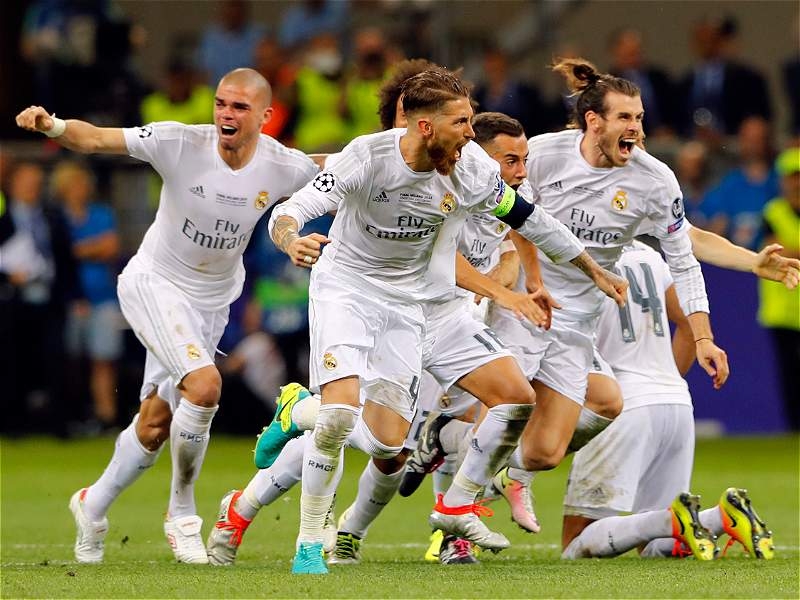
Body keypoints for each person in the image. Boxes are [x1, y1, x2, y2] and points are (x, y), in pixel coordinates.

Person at [266, 68, 626, 574]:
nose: (470, 134)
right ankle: (308, 547)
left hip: (410, 304)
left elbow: (530, 220)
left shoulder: (472, 168)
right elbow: (292, 210)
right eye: (461, 123)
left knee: (391, 442)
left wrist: (592, 268)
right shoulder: (367, 157)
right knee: (342, 415)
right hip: (347, 290)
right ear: (425, 127)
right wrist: (291, 240)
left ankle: (300, 411)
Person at [14, 67, 319, 564]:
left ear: (265, 116)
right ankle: (181, 513)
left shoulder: (281, 164)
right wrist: (53, 126)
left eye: (239, 107)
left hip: (212, 301)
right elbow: (95, 139)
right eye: (221, 103)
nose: (226, 114)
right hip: (155, 284)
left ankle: (92, 504)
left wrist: (401, 152)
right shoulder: (179, 142)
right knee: (205, 386)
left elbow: (337, 168)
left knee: (156, 423)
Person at [479, 58, 728, 546]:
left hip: (578, 322)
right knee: (498, 411)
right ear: (593, 121)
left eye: (639, 118)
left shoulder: (655, 181)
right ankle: (453, 524)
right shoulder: (543, 155)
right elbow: (509, 211)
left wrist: (703, 337)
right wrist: (514, 279)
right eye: (625, 118)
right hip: (524, 307)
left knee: (547, 451)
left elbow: (684, 260)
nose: (637, 128)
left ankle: (489, 471)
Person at [561, 241, 774, 561]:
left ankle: (674, 520)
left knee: (575, 544)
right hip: (675, 401)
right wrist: (664, 379)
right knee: (657, 545)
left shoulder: (574, 250)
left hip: (621, 404)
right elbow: (688, 325)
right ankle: (718, 518)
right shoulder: (649, 256)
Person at [52, 160, 124, 432]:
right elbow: (58, 253)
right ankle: (74, 414)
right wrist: (92, 249)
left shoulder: (101, 214)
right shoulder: (56, 217)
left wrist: (75, 250)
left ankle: (106, 417)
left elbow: (111, 247)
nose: (81, 189)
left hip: (103, 297)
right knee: (71, 359)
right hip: (70, 298)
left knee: (104, 359)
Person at [758, 147, 800, 431]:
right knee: (790, 371)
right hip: (782, 308)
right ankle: (794, 427)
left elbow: (786, 250)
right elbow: (774, 253)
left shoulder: (774, 213)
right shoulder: (773, 211)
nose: (796, 183)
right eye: (792, 176)